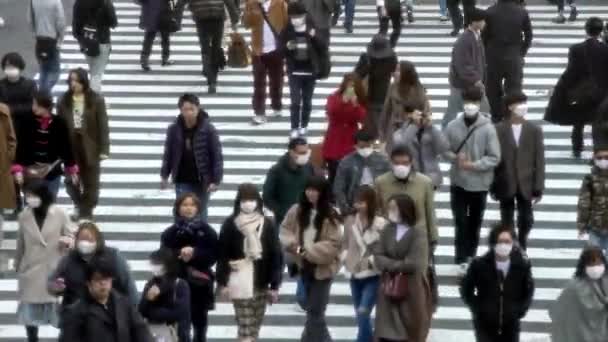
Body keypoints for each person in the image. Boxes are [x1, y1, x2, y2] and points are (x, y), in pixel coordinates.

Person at [443, 87, 500, 275]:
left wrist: (474, 165)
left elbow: (494, 157)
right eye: (468, 102)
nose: (470, 106)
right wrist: (454, 157)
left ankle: (470, 255)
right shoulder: (452, 126)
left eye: (474, 103)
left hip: (479, 184)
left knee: (475, 221)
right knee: (460, 220)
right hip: (458, 182)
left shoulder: (488, 128)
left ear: (479, 104)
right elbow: (444, 149)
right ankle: (461, 257)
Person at [216, 183, 282, 342]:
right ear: (239, 201)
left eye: (251, 199)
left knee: (253, 329)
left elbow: (276, 254)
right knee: (246, 328)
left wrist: (274, 285)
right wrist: (222, 282)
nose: (248, 203)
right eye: (244, 199)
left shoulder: (267, 224)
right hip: (239, 280)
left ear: (258, 201)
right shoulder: (230, 224)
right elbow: (223, 254)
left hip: (261, 280)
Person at [280, 176, 342, 342]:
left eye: (315, 190)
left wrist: (306, 251)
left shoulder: (331, 215)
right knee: (312, 311)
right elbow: (285, 230)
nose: (311, 193)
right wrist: (292, 244)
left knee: (315, 311)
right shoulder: (297, 210)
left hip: (323, 269)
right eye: (309, 189)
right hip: (303, 266)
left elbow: (333, 245)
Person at [15, 181, 75, 342]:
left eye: (32, 196)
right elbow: (20, 243)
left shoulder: (59, 213)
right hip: (31, 271)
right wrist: (18, 265)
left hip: (54, 269)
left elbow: (71, 234)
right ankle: (32, 339)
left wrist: (68, 241)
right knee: (29, 314)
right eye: (26, 196)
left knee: (59, 313)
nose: (29, 199)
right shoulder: (23, 216)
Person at [544, 17, 608, 159]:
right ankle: (599, 150)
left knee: (579, 120)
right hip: (602, 92)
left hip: (583, 91)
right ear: (601, 31)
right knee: (599, 122)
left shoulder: (576, 49)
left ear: (586, 29)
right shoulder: (606, 49)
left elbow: (571, 72)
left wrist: (560, 89)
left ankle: (577, 147)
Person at [372, 193, 432, 342]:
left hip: (411, 287)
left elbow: (414, 262)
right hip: (388, 285)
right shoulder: (387, 230)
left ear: (404, 209)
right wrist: (396, 265)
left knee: (409, 328)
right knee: (386, 330)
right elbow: (378, 255)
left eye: (393, 208)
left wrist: (390, 264)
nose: (390, 211)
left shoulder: (418, 233)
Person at [460, 224, 535, 342]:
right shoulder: (479, 265)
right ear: (493, 243)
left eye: (507, 241)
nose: (504, 245)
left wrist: (519, 310)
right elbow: (466, 289)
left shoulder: (521, 266)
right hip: (485, 325)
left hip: (511, 325)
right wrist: (478, 308)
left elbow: (528, 290)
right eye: (501, 241)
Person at [161, 193, 218, 342]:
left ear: (198, 208)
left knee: (200, 324)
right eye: (185, 205)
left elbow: (213, 256)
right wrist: (179, 253)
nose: (188, 208)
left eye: (192, 205)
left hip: (200, 282)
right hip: (177, 283)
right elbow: (163, 257)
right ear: (178, 208)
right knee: (180, 326)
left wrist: (195, 253)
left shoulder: (207, 231)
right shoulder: (170, 233)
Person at [491, 92, 545, 250]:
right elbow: (493, 157)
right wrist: (492, 183)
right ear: (510, 107)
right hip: (505, 181)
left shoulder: (534, 130)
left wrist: (539, 185)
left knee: (527, 219)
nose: (523, 107)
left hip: (526, 182)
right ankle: (512, 244)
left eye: (524, 103)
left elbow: (540, 160)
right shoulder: (498, 129)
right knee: (506, 220)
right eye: (519, 103)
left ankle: (522, 242)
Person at [58, 256, 154, 342]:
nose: (103, 283)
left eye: (106, 279)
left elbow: (141, 331)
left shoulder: (124, 304)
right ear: (88, 283)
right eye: (98, 279)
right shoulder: (75, 312)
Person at [160, 93, 223, 222]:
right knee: (183, 212)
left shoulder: (208, 129)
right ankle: (181, 239)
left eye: (191, 109)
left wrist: (216, 180)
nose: (188, 113)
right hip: (182, 178)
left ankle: (201, 240)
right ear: (180, 110)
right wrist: (164, 175)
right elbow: (168, 153)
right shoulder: (174, 129)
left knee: (200, 212)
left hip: (203, 179)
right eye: (185, 109)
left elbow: (216, 156)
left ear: (198, 108)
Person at [57, 68, 110, 221]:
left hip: (90, 146)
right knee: (70, 181)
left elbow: (103, 126)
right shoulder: (63, 100)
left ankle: (87, 211)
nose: (74, 84)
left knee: (91, 181)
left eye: (77, 81)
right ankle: (79, 204)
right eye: (71, 80)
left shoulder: (96, 99)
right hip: (70, 147)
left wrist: (104, 148)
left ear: (83, 82)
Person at [12, 91, 78, 199]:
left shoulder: (59, 123)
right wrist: (18, 169)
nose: (34, 107)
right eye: (33, 104)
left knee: (50, 203)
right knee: (32, 203)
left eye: (37, 105)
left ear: (46, 106)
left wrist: (72, 169)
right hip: (30, 171)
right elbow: (20, 146)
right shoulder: (26, 121)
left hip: (52, 171)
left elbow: (66, 148)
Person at [341, 185, 387, 342]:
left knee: (363, 311)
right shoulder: (350, 221)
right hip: (354, 271)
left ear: (370, 202)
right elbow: (345, 243)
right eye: (356, 202)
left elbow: (384, 248)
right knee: (359, 312)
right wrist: (345, 258)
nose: (358, 205)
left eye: (362, 202)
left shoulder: (380, 223)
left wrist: (371, 261)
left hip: (373, 273)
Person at [280, 1, 329, 138]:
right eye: (293, 17)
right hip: (294, 71)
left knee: (307, 101)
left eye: (298, 17)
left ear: (304, 16)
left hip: (310, 71)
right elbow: (280, 48)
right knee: (295, 101)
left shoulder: (312, 27)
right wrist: (287, 47)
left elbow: (323, 47)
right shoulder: (287, 29)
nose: (295, 20)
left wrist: (314, 36)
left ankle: (304, 125)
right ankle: (294, 127)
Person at [374, 145, 438, 247]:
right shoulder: (380, 182)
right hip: (390, 238)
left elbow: (430, 211)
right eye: (397, 163)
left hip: (417, 237)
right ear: (391, 163)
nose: (401, 166)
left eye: (405, 163)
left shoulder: (424, 182)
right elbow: (376, 210)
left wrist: (433, 238)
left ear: (411, 162)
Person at [482, 0, 532, 123]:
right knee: (514, 89)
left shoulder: (490, 12)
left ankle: (497, 116)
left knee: (493, 89)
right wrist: (522, 51)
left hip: (494, 56)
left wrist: (486, 52)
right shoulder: (522, 12)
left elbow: (484, 36)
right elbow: (529, 34)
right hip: (514, 55)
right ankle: (512, 115)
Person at [443, 7, 489, 129]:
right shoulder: (464, 40)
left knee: (482, 110)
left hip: (471, 83)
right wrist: (476, 80)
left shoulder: (475, 36)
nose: (484, 23)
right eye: (482, 20)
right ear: (474, 22)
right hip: (462, 84)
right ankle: (444, 136)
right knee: (452, 114)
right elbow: (462, 65)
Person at [549, 246, 608, 342]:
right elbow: (559, 311)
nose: (595, 266)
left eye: (598, 262)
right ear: (584, 264)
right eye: (591, 262)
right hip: (579, 335)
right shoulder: (573, 287)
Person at [244, 0, 288, 126]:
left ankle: (277, 105)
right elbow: (247, 24)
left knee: (277, 80)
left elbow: (287, 24)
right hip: (258, 51)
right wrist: (251, 11)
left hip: (276, 50)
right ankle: (259, 112)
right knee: (258, 83)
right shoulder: (251, 4)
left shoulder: (280, 4)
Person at [322, 73, 367, 185]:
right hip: (335, 137)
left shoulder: (359, 100)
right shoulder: (334, 97)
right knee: (333, 171)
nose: (351, 89)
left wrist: (355, 104)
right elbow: (332, 112)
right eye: (349, 86)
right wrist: (343, 101)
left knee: (349, 172)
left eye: (353, 86)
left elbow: (362, 118)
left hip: (350, 138)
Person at [139, 248, 191, 342]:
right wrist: (148, 299)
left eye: (157, 264)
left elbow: (180, 313)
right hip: (154, 334)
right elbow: (141, 311)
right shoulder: (151, 283)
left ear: (166, 265)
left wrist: (153, 313)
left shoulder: (180, 284)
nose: (154, 267)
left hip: (175, 335)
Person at [333, 130, 391, 215]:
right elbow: (338, 188)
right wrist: (346, 208)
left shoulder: (383, 160)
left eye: (368, 146)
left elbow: (389, 185)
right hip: (354, 204)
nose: (365, 150)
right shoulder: (346, 162)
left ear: (372, 144)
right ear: (355, 146)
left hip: (378, 204)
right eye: (362, 147)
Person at [187, 0, 239, 94]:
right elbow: (230, 3)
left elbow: (188, 4)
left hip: (201, 19)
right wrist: (235, 19)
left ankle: (207, 71)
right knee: (216, 48)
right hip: (217, 19)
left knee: (205, 49)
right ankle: (212, 82)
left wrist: (194, 10)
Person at [392, 107, 450, 190]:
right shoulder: (400, 133)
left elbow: (444, 148)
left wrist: (432, 128)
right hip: (409, 177)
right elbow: (401, 147)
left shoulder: (432, 131)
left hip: (430, 178)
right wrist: (414, 126)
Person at [263, 137, 315, 228]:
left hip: (306, 219)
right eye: (301, 153)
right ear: (291, 152)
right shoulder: (276, 170)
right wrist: (283, 212)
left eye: (306, 152)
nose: (305, 155)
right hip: (284, 221)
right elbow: (267, 197)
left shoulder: (309, 167)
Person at [380, 60, 430, 151]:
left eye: (398, 70)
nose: (395, 73)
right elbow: (386, 111)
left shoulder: (419, 90)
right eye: (396, 70)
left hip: (414, 131)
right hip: (395, 131)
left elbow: (426, 112)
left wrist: (416, 119)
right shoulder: (392, 88)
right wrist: (382, 135)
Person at [354, 34, 397, 136]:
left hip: (373, 95)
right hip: (379, 94)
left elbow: (357, 75)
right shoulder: (391, 57)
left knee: (373, 126)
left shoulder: (367, 58)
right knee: (380, 127)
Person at [72, 0, 118, 93]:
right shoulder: (105, 2)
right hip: (102, 41)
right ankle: (94, 101)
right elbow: (113, 22)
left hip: (86, 41)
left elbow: (76, 24)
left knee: (93, 70)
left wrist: (80, 38)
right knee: (96, 74)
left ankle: (94, 99)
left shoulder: (79, 2)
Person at [28, 0, 65, 93]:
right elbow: (60, 21)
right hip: (52, 39)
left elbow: (29, 18)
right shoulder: (56, 2)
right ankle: (44, 94)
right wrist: (61, 37)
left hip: (40, 40)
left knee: (43, 69)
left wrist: (34, 33)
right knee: (54, 72)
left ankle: (42, 94)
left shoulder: (33, 1)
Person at [577, 146, 608, 254]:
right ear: (594, 159)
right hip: (596, 225)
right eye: (600, 158)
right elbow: (584, 203)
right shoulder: (589, 179)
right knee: (593, 257)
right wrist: (582, 225)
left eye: (606, 157)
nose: (603, 160)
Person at [0, 52, 37, 130]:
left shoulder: (30, 84)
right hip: (6, 125)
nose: (10, 68)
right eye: (7, 66)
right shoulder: (1, 85)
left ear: (20, 67)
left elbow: (31, 105)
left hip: (26, 124)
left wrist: (10, 109)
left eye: (13, 66)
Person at [137, 0, 178, 71]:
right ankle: (165, 59)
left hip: (151, 13)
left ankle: (144, 59)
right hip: (164, 12)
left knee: (149, 38)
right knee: (165, 38)